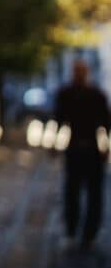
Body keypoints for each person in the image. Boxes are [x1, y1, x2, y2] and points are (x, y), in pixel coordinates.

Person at [54, 60, 110, 249]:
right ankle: (72, 229)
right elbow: (59, 120)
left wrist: (106, 146)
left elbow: (106, 124)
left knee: (94, 194)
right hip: (74, 148)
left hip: (92, 149)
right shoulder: (66, 94)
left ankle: (89, 233)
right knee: (72, 192)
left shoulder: (97, 95)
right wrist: (53, 144)